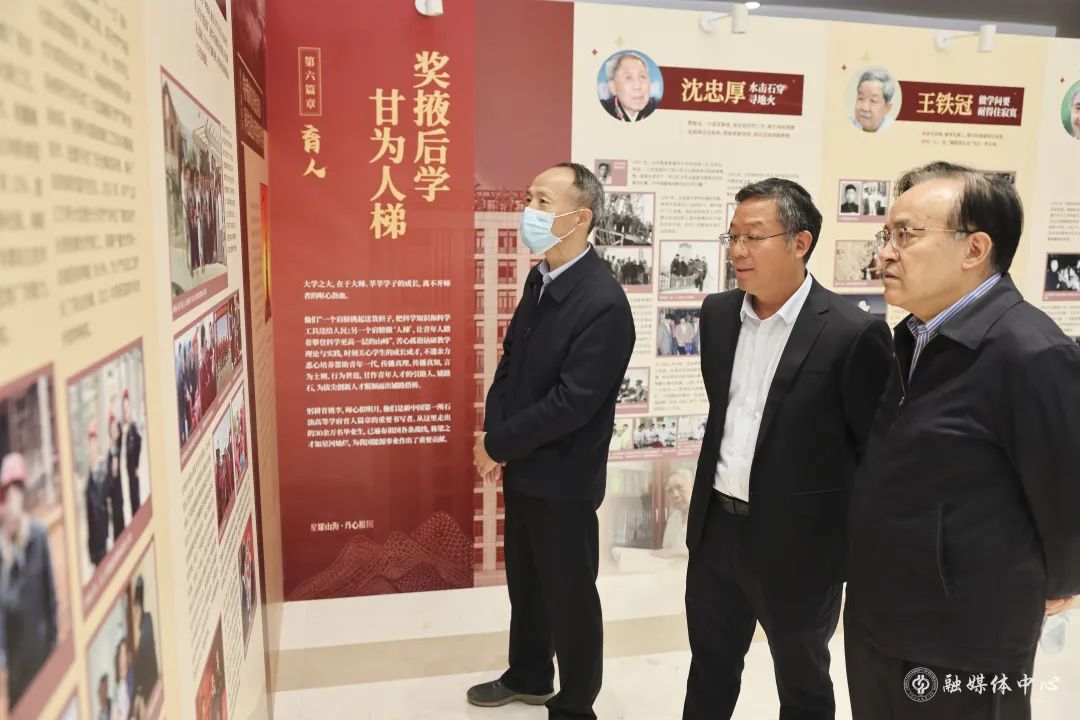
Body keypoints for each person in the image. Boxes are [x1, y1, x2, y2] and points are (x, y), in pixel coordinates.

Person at [845, 162, 1080, 719]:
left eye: (906, 235)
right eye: (886, 235)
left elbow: (1066, 487)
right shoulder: (913, 337)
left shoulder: (1031, 353)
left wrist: (1059, 581)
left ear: (974, 249)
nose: (885, 254)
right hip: (881, 617)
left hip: (964, 639)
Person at [683, 178, 892, 720]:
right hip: (716, 532)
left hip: (801, 546)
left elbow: (873, 454)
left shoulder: (852, 332)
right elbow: (725, 415)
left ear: (800, 243)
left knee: (802, 681)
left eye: (753, 237)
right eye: (732, 237)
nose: (737, 250)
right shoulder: (718, 314)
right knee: (708, 669)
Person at [467, 162, 635, 720]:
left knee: (570, 596)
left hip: (564, 477)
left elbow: (573, 402)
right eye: (529, 199)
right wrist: (495, 435)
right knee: (527, 584)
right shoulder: (541, 279)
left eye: (543, 202)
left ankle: (576, 703)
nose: (529, 212)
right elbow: (512, 361)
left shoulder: (604, 302)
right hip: (525, 465)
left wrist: (499, 445)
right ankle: (530, 674)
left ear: (580, 218)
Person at [0, 453, 59, 709]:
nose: (12, 502)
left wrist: (54, 646)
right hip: (17, 667)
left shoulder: (38, 536)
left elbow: (50, 597)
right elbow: (4, 607)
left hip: (42, 655)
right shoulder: (2, 554)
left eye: (16, 492)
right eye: (7, 495)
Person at [600, 53, 657, 122]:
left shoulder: (657, 106)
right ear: (613, 87)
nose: (637, 86)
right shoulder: (601, 109)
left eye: (642, 76)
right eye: (628, 78)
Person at [85, 425, 110, 567]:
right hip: (93, 537)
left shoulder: (101, 469)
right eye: (89, 443)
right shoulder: (91, 472)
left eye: (93, 442)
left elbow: (100, 501)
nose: (91, 447)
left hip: (101, 532)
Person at [132, 576, 158, 704]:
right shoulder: (141, 627)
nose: (135, 615)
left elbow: (145, 654)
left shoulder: (147, 621)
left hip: (151, 683)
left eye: (137, 610)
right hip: (146, 689)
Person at [657, 469, 692, 557]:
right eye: (670, 491)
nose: (675, 495)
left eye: (679, 487)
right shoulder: (672, 519)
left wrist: (676, 552)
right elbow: (666, 549)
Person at [122, 390, 143, 517]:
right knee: (132, 496)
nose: (125, 411)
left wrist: (137, 465)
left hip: (133, 469)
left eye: (126, 408)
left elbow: (139, 441)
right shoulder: (127, 427)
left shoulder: (133, 426)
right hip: (130, 470)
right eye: (124, 409)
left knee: (135, 497)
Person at [106, 413, 126, 542]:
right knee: (117, 526)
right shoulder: (110, 452)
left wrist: (113, 416)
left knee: (121, 522)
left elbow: (121, 433)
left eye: (115, 429)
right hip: (114, 496)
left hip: (120, 493)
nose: (114, 431)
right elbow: (109, 477)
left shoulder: (118, 447)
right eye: (112, 430)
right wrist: (112, 474)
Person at [112, 641, 133, 720]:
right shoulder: (118, 687)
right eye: (120, 658)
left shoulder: (132, 680)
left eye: (124, 656)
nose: (122, 662)